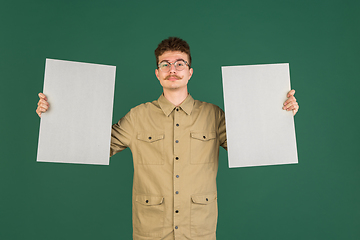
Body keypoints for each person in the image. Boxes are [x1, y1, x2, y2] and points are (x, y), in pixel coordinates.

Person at [36, 37, 299, 240]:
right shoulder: (137, 116)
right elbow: (93, 146)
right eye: (165, 64)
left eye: (179, 63)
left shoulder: (213, 115)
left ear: (190, 71)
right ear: (157, 72)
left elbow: (253, 145)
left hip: (199, 232)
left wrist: (282, 112)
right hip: (150, 231)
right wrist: (54, 115)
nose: (172, 69)